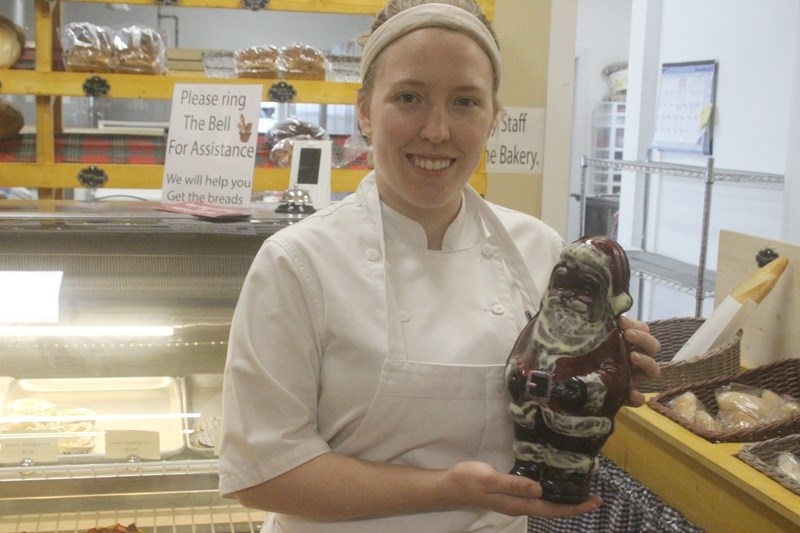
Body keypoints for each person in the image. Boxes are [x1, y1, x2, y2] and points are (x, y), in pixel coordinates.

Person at [219, 1, 661, 531]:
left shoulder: (540, 251)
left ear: (493, 117)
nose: (436, 130)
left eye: (465, 102)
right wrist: (446, 490)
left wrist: (609, 372)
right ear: (365, 110)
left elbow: (559, 414)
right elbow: (262, 475)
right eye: (409, 97)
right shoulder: (298, 262)